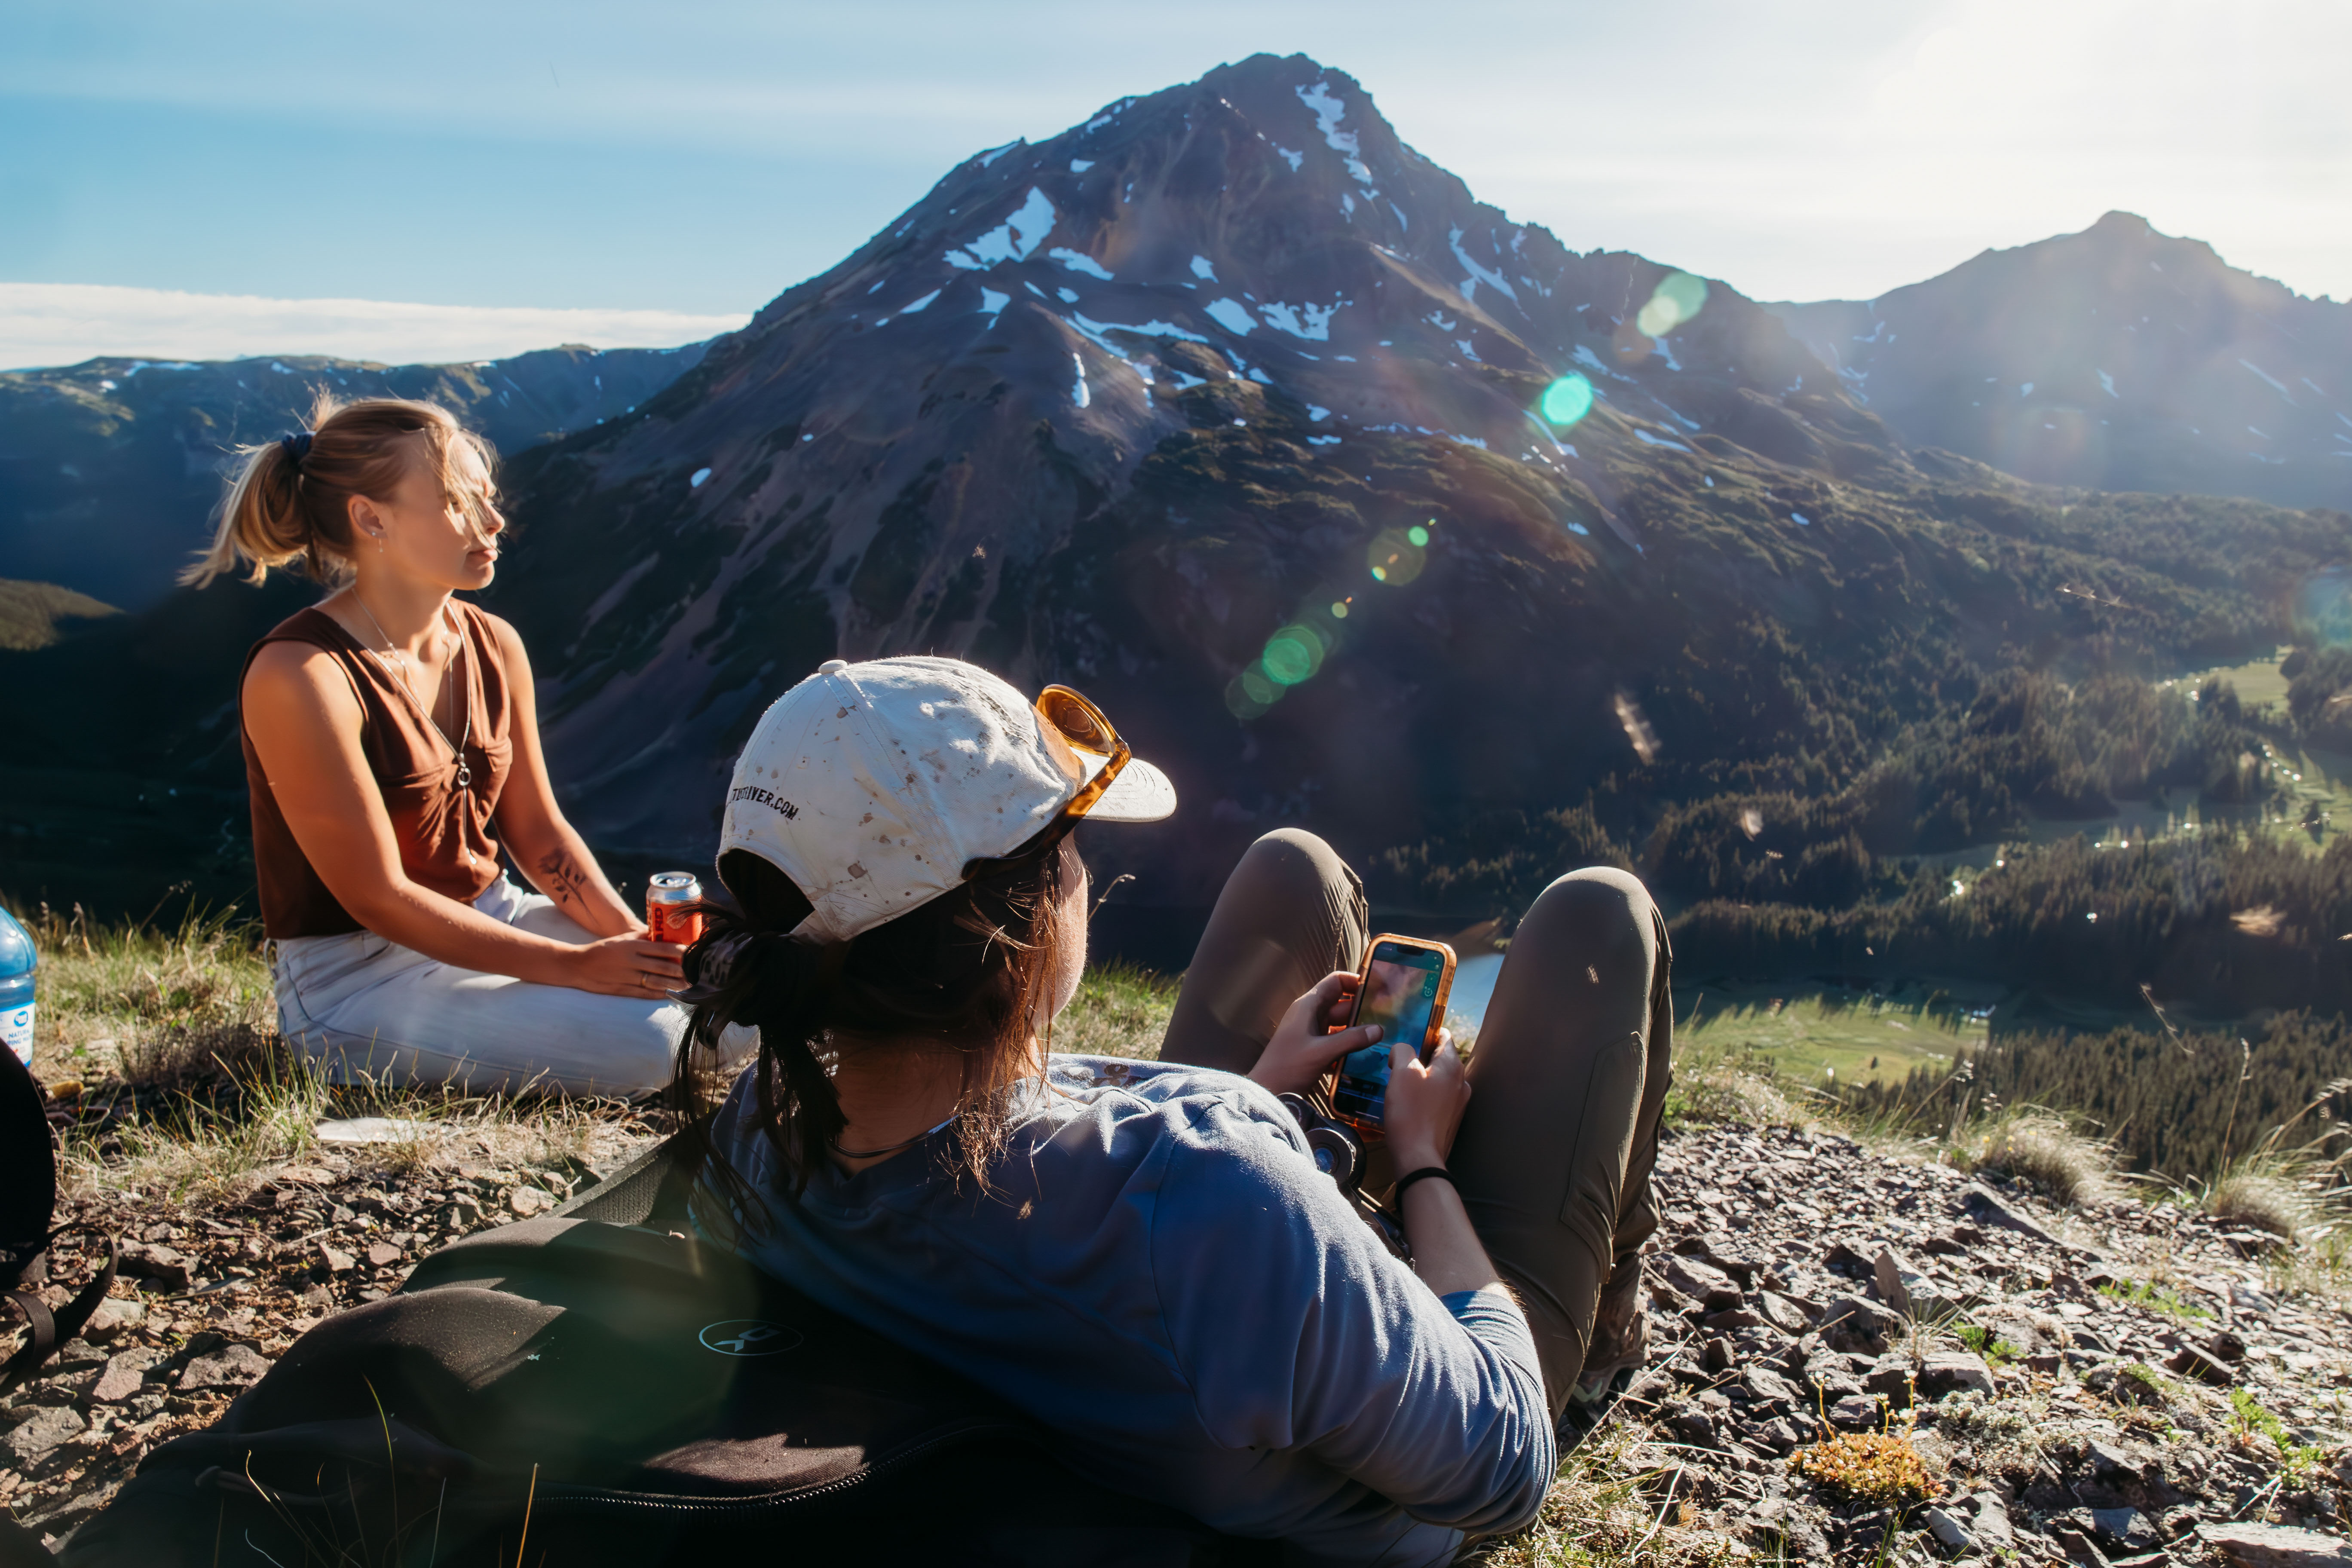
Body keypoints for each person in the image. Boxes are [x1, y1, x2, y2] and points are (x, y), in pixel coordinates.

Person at [677, 656, 1672, 1565]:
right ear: (1014, 925)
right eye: (1068, 846)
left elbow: (1121, 1223)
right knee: (1601, 915)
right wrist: (1421, 1166)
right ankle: (1597, 1353)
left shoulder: (761, 1132)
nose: (1082, 873)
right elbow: (1500, 1470)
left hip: (1170, 1351)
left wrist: (1251, 1106)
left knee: (1293, 866)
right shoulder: (1210, 1192)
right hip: (1370, 1485)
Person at [190, 395, 748, 1096]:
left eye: (488, 498)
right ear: (370, 519)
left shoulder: (493, 641)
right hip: (359, 979)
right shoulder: (302, 673)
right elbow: (380, 897)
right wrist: (576, 967)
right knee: (665, 1048)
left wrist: (641, 947)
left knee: (732, 1000)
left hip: (494, 917)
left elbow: (539, 833)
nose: (494, 522)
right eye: (459, 503)